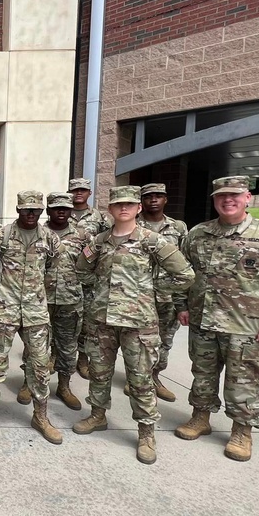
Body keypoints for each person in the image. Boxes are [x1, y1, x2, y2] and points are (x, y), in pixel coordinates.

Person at [175, 176, 259, 462]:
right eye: (222, 196)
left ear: (247, 197)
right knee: (202, 373)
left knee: (243, 380)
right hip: (203, 320)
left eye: (235, 195)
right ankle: (200, 417)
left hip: (246, 325)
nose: (228, 200)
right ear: (214, 199)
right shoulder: (198, 234)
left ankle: (241, 430)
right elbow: (182, 275)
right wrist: (181, 305)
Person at [73, 186, 195, 465]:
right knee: (100, 374)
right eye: (118, 205)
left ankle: (146, 432)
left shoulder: (152, 241)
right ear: (110, 210)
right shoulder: (101, 241)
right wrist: (103, 289)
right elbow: (81, 270)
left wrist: (152, 289)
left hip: (139, 323)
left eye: (129, 204)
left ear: (138, 208)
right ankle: (97, 415)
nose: (124, 208)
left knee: (140, 379)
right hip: (102, 320)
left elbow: (186, 275)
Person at [0, 191, 62, 444]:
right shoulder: (2, 235)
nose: (31, 214)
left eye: (35, 210)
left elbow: (52, 268)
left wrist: (39, 293)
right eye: (26, 210)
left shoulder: (50, 238)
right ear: (18, 209)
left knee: (40, 365)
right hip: (4, 310)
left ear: (41, 211)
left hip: (35, 312)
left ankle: (41, 416)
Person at [133, 182, 187, 402]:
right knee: (137, 341)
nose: (153, 200)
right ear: (141, 202)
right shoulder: (131, 226)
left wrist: (183, 303)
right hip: (138, 296)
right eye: (148, 197)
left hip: (168, 297)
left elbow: (186, 263)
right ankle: (136, 380)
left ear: (165, 199)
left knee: (164, 341)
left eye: (158, 196)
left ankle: (154, 377)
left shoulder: (178, 228)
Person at [42, 191, 90, 412]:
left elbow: (92, 266)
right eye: (56, 208)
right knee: (36, 347)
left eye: (65, 208)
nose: (61, 211)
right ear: (48, 210)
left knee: (68, 346)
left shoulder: (83, 236)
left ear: (71, 210)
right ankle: (30, 383)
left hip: (70, 300)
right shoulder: (38, 234)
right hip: (40, 299)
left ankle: (63, 386)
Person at [69, 177, 110, 381]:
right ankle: (54, 357)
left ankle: (83, 359)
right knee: (61, 321)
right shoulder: (61, 213)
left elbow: (108, 242)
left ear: (89, 193)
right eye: (75, 190)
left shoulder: (100, 218)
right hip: (64, 278)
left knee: (87, 323)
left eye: (82, 190)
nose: (78, 193)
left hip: (89, 281)